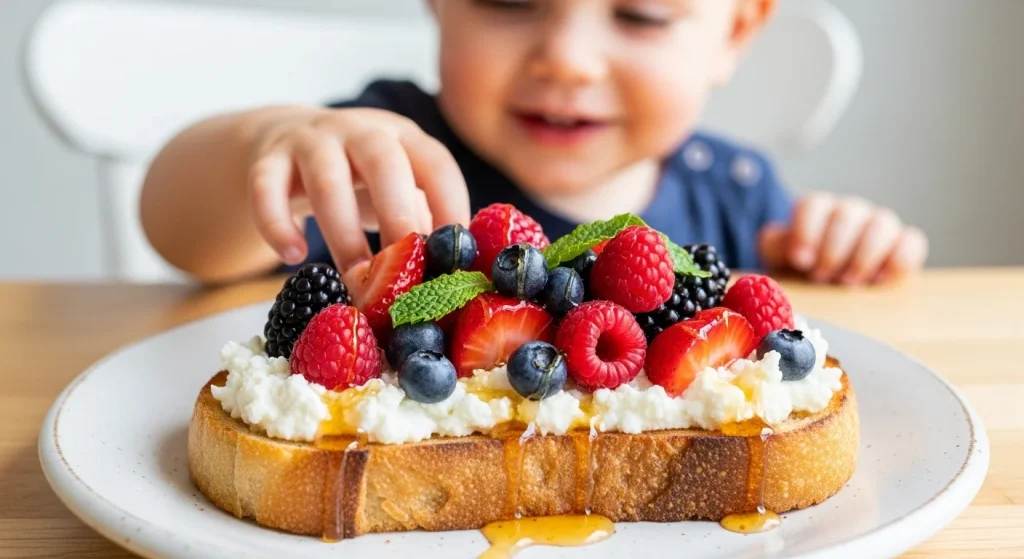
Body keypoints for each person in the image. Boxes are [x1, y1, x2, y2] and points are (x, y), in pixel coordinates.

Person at [140, 0, 927, 286]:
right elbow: (176, 229)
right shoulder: (381, 156)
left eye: (641, 15)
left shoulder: (737, 194)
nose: (567, 57)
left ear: (735, 32)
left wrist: (836, 251)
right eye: (509, 0)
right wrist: (271, 143)